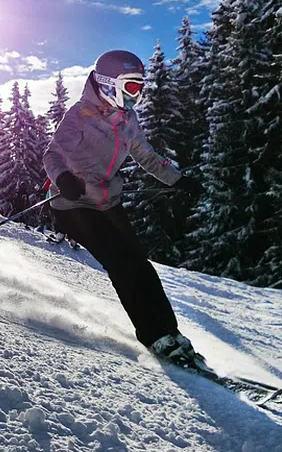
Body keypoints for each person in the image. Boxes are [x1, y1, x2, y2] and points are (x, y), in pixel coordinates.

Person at [43, 49, 205, 365]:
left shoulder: (127, 119)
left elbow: (145, 156)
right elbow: (52, 155)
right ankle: (153, 335)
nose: (137, 94)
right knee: (122, 263)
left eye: (140, 87)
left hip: (107, 201)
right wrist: (63, 177)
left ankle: (170, 331)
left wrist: (177, 179)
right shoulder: (79, 116)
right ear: (107, 84)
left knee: (141, 264)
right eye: (131, 87)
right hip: (73, 203)